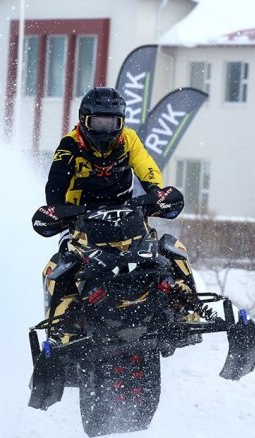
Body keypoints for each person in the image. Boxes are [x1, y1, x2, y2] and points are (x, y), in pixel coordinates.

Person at [43, 87, 200, 345]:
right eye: (99, 122)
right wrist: (56, 210)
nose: (105, 129)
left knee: (169, 248)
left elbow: (146, 166)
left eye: (111, 122)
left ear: (121, 121)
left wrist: (156, 193)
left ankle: (186, 306)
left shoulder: (129, 139)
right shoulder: (69, 145)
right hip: (79, 218)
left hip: (127, 212)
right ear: (84, 120)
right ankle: (62, 328)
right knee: (62, 263)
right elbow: (56, 180)